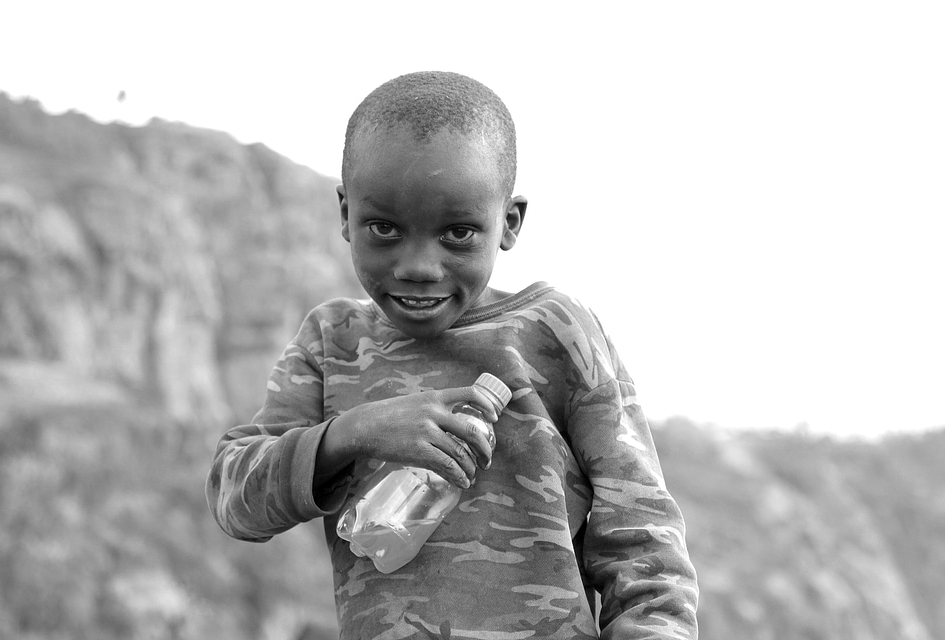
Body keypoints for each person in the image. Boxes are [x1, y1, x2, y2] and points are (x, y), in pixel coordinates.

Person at [206, 71, 699, 639]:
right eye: (384, 228)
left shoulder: (557, 334)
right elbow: (233, 497)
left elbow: (643, 541)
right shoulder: (332, 343)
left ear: (508, 223)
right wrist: (353, 432)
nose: (418, 265)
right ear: (345, 215)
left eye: (458, 232)